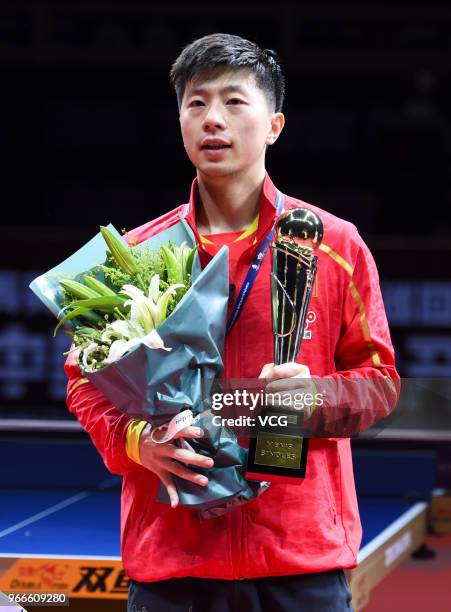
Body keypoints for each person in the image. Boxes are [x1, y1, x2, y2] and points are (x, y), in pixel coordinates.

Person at [64, 33, 399, 611]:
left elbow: (381, 382)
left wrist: (311, 397)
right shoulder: (132, 255)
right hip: (174, 556)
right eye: (196, 103)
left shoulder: (334, 243)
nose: (213, 118)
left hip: (300, 557)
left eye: (234, 101)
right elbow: (84, 381)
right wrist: (137, 442)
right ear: (180, 122)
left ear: (274, 124)